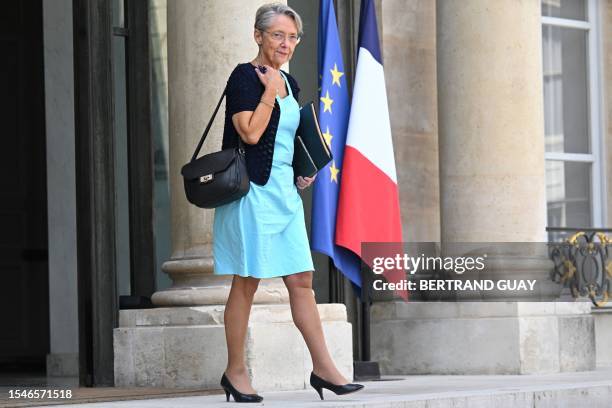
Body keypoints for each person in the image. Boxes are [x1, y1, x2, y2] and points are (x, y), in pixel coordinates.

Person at [212, 2, 364, 404]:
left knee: (302, 281)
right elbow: (248, 133)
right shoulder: (246, 77)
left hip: (284, 192)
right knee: (246, 283)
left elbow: (286, 137)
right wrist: (269, 92)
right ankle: (235, 371)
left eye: (292, 36)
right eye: (277, 35)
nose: (286, 43)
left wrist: (304, 168)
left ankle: (324, 368)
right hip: (253, 195)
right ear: (258, 36)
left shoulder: (290, 84)